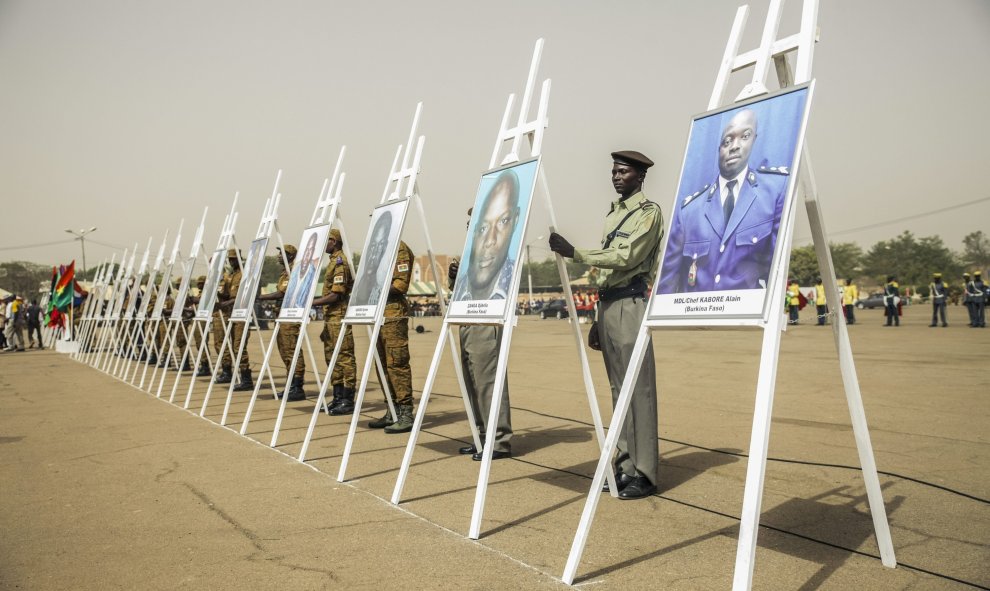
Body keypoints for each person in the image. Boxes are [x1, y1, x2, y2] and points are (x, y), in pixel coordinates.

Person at [549, 150, 664, 500]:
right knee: (618, 390)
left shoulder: (649, 213)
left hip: (631, 304)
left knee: (638, 390)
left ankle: (645, 472)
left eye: (624, 172)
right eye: (614, 171)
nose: (616, 177)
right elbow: (609, 270)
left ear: (640, 177)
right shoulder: (614, 213)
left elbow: (627, 257)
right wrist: (599, 314)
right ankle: (625, 465)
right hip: (611, 304)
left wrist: (575, 253)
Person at [657, 109, 789, 294]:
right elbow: (668, 282)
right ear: (718, 148)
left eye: (745, 136)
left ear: (754, 140)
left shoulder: (774, 192)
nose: (734, 146)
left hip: (746, 318)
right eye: (727, 141)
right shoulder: (689, 210)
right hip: (695, 317)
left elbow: (776, 271)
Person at [449, 210, 513, 461]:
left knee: (488, 383)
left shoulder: (499, 252)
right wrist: (455, 276)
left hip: (487, 320)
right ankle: (481, 435)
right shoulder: (468, 256)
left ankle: (499, 440)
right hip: (467, 319)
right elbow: (457, 290)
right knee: (472, 383)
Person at [367, 240, 416, 434]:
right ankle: (392, 410)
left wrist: (371, 290)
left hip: (393, 314)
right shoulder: (378, 251)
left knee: (397, 363)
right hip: (379, 314)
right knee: (382, 365)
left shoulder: (399, 248)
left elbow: (400, 285)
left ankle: (405, 413)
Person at [452, 170, 521, 302]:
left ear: (515, 219)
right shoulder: (465, 273)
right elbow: (455, 293)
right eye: (483, 228)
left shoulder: (514, 276)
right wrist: (453, 279)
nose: (490, 240)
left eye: (502, 221)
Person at [311, 230, 357, 412]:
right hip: (331, 318)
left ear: (334, 241)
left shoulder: (340, 263)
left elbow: (336, 295)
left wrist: (311, 303)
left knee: (345, 357)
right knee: (332, 357)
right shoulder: (332, 263)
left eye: (326, 241)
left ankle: (348, 399)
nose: (324, 245)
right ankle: (338, 397)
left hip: (339, 315)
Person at [258, 245, 306, 400]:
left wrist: (261, 297)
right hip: (282, 316)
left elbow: (281, 293)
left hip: (290, 317)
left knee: (292, 351)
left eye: (282, 253)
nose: (278, 256)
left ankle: (297, 388)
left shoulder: (294, 270)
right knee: (285, 352)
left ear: (290, 255)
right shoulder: (285, 272)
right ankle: (291, 385)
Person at [216, 248, 253, 390]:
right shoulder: (232, 275)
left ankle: (246, 379)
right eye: (229, 259)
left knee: (239, 347)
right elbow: (228, 296)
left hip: (241, 315)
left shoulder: (243, 274)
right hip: (233, 314)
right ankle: (242, 376)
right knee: (234, 347)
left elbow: (239, 297)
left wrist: (223, 304)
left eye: (233, 259)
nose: (231, 262)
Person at [352, 211, 393, 306]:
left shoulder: (380, 286)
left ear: (385, 246)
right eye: (373, 245)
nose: (374, 254)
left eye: (380, 245)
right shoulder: (357, 287)